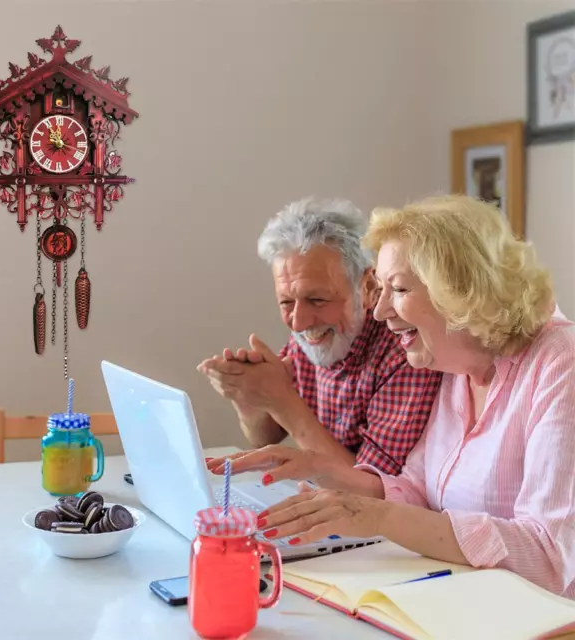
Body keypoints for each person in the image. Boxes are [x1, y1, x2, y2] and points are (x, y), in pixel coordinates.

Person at [207, 194, 575, 599]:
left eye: (398, 289)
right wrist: (315, 468)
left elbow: (549, 556)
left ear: (461, 291)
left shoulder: (561, 362)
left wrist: (379, 517)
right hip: (462, 598)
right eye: (379, 289)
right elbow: (415, 490)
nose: (380, 311)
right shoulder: (453, 363)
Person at [198, 197, 442, 473]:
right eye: (286, 302)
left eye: (318, 300)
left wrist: (282, 399)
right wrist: (249, 396)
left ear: (368, 286)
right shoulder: (310, 336)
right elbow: (263, 437)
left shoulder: (405, 350)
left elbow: (374, 487)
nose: (299, 322)